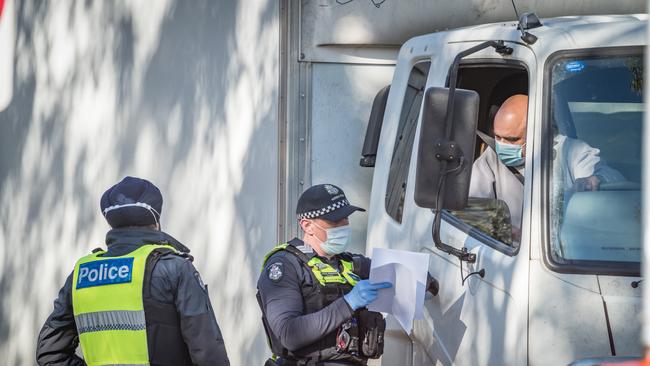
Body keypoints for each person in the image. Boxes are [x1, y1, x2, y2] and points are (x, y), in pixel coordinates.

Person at [36, 176, 230, 366]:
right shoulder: (174, 267)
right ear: (156, 222)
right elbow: (208, 354)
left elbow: (50, 352)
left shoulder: (82, 274)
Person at [256, 184, 393, 366]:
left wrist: (423, 283)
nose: (343, 225)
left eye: (345, 218)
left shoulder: (349, 263)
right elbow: (289, 333)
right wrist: (348, 303)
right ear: (307, 225)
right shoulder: (285, 265)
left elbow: (398, 272)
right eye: (335, 221)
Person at [469, 94, 624, 235]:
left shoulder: (570, 150)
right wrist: (505, 231)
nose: (502, 145)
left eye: (512, 139)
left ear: (537, 133)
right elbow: (469, 206)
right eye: (497, 136)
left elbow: (612, 177)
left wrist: (595, 180)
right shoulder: (492, 156)